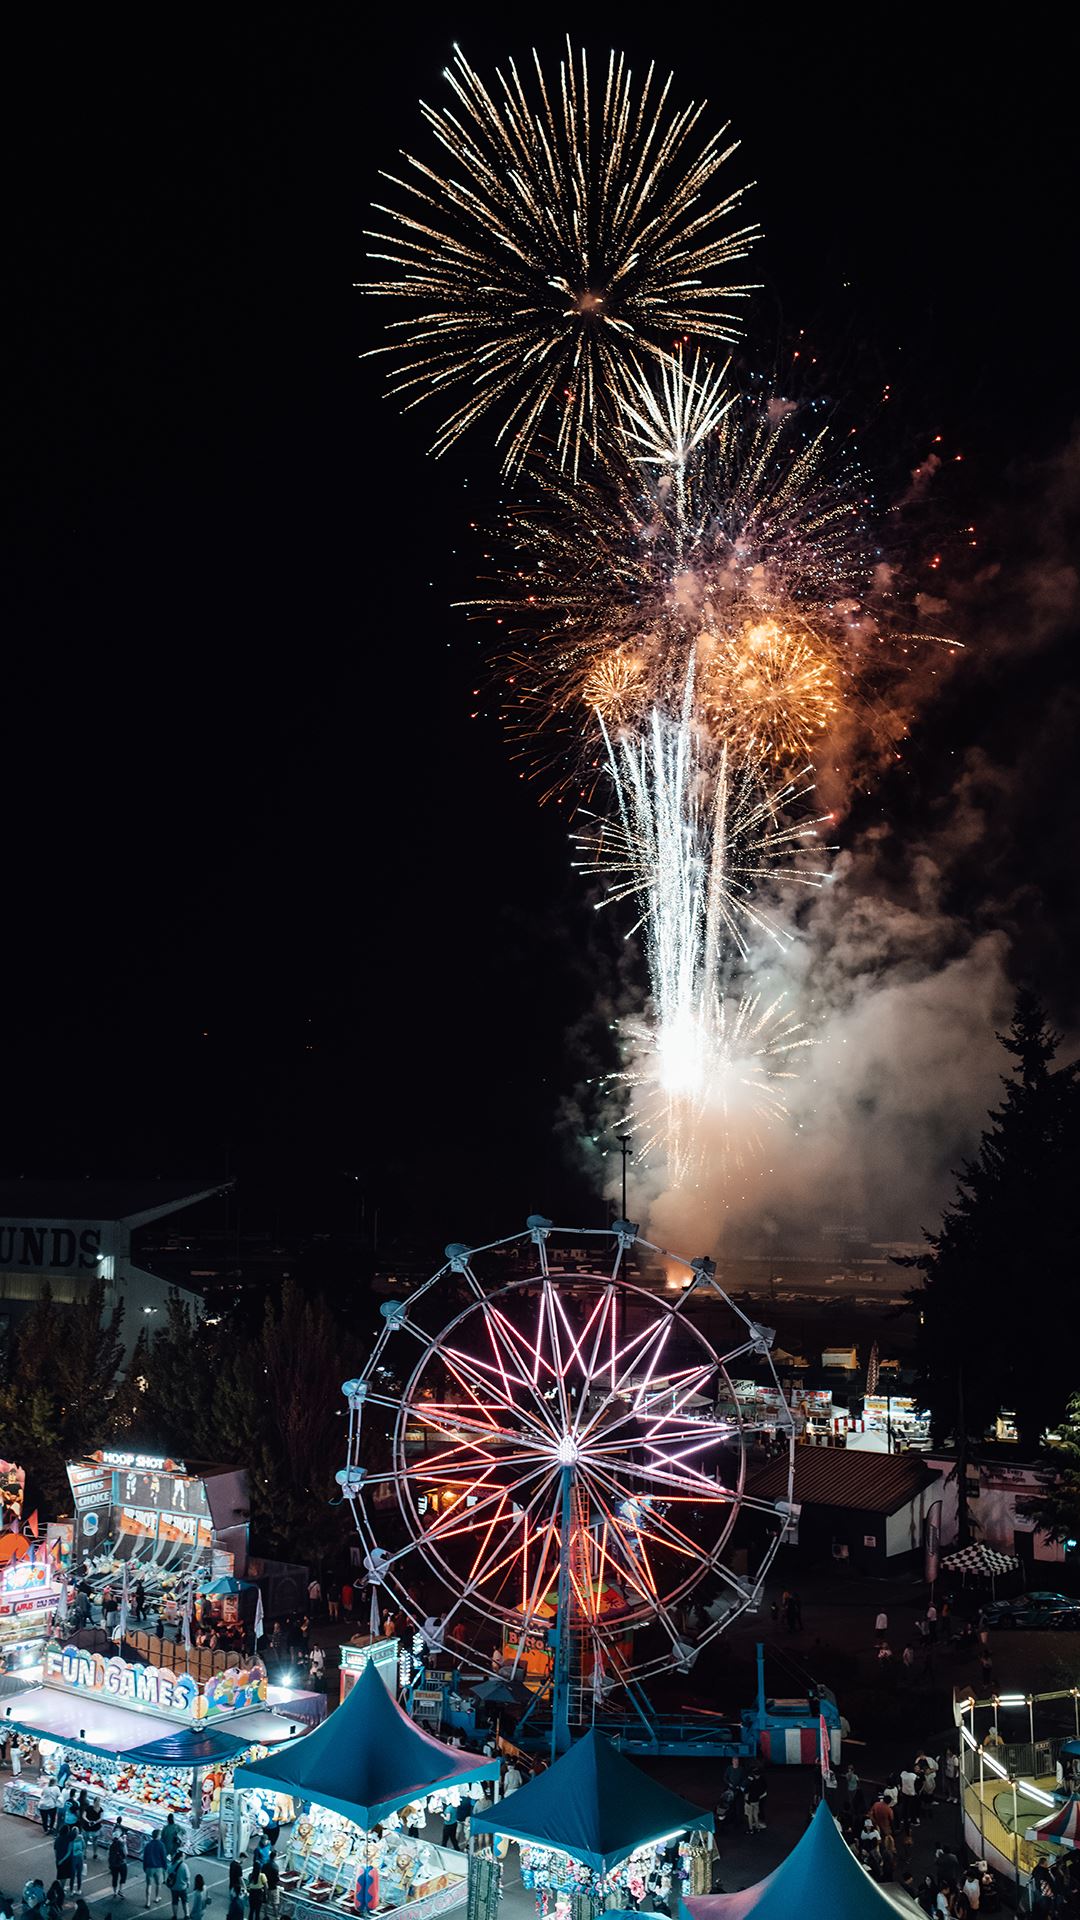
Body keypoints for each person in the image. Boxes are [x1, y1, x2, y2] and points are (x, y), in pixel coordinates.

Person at [143, 1831, 167, 1908]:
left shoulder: (148, 1845)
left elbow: (145, 1857)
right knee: (158, 1884)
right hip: (158, 1867)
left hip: (149, 1867)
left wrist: (144, 1867)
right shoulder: (161, 1845)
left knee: (148, 1885)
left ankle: (148, 1902)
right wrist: (165, 1867)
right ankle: (157, 1897)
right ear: (158, 1836)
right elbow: (163, 1857)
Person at [109, 1830, 129, 1898]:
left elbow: (109, 1855)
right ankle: (120, 1890)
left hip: (113, 1864)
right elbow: (126, 1853)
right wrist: (125, 1843)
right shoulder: (122, 1844)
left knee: (114, 1878)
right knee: (123, 1877)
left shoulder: (111, 1844)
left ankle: (114, 1892)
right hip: (122, 1863)